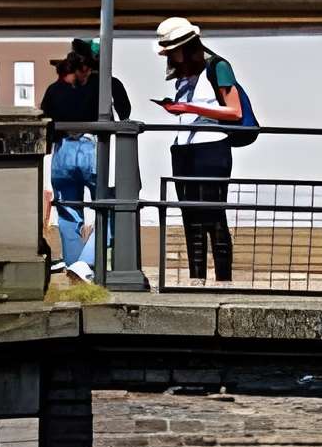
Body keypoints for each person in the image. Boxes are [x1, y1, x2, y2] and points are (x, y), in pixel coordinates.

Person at [153, 17, 243, 282]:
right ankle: (196, 278)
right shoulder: (184, 75)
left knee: (213, 215)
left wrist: (191, 108)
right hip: (183, 149)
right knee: (190, 215)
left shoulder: (218, 67)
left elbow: (234, 111)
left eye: (172, 50)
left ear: (187, 46)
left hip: (211, 148)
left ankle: (223, 279)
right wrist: (176, 108)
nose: (170, 56)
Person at [39, 38, 133, 281]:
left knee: (69, 211)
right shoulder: (107, 83)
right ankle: (86, 261)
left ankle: (74, 265)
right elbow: (126, 112)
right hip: (94, 146)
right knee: (109, 208)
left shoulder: (55, 88)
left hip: (62, 152)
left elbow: (45, 119)